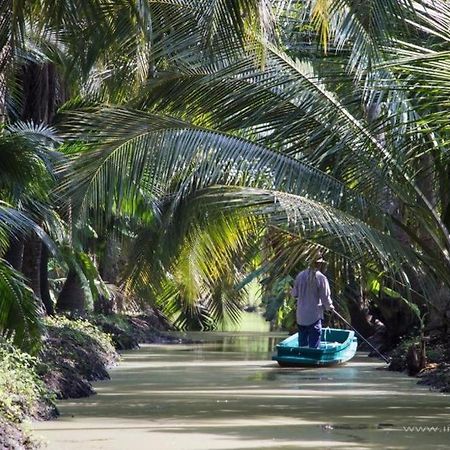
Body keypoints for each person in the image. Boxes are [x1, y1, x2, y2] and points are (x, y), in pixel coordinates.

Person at [291, 256, 334, 348]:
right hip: (314, 316)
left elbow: (294, 294)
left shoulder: (300, 276)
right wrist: (330, 307)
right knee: (314, 345)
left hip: (301, 316)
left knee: (302, 344)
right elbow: (325, 298)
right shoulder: (321, 278)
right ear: (318, 264)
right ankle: (313, 358)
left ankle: (302, 357)